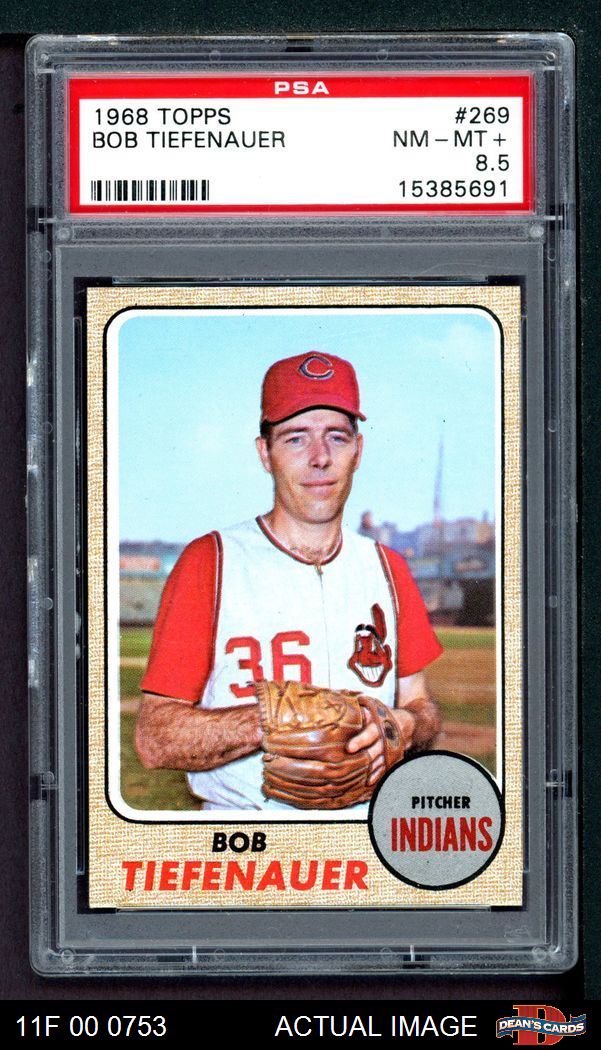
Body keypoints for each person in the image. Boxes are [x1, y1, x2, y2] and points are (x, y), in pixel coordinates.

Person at [135, 351, 443, 810]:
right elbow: (155, 739)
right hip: (246, 834)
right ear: (266, 454)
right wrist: (276, 721)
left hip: (366, 835)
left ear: (358, 451)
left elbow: (422, 707)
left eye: (336, 437)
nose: (320, 458)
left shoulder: (388, 568)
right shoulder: (211, 562)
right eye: (296, 438)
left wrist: (404, 726)